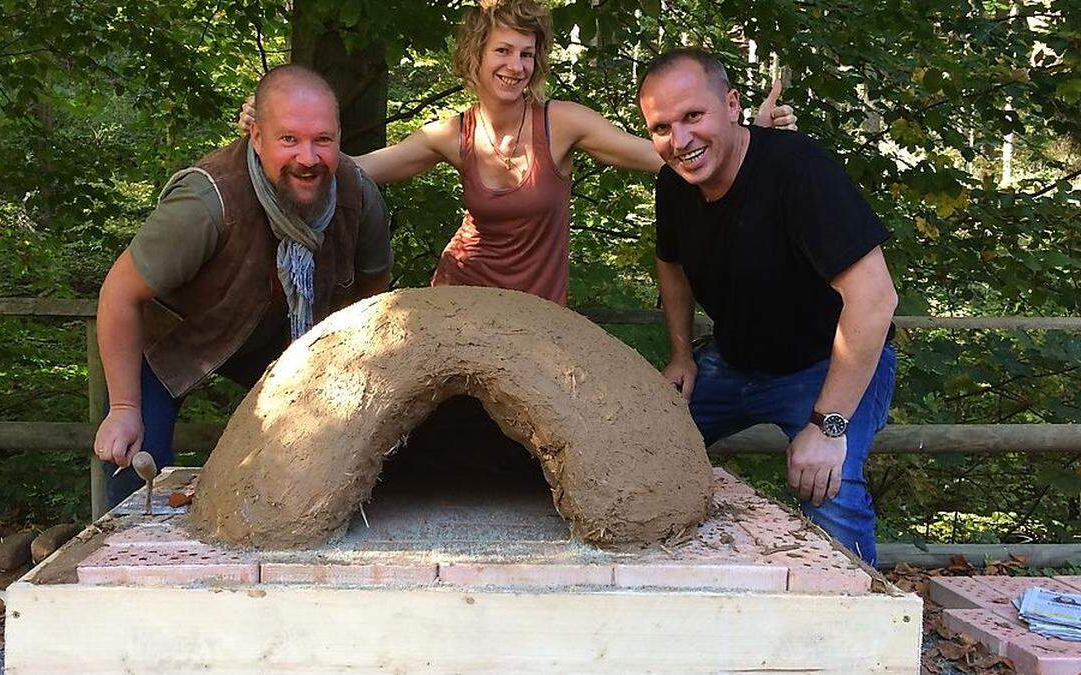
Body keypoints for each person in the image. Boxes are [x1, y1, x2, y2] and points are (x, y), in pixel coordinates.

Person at [240, 0, 796, 305]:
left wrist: (742, 132)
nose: (515, 65)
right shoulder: (451, 135)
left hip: (538, 314)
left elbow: (666, 154)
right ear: (476, 58)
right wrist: (286, 142)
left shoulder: (563, 124)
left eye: (527, 54)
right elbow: (356, 170)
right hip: (460, 298)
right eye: (502, 50)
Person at [637, 48, 899, 565]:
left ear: (731, 105)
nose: (681, 140)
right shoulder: (673, 185)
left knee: (829, 484)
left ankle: (853, 629)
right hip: (732, 363)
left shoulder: (799, 171)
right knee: (640, 439)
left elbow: (874, 299)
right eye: (662, 127)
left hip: (828, 366)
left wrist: (828, 427)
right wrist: (681, 354)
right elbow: (670, 264)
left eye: (693, 116)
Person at [92, 65, 393, 506]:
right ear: (256, 136)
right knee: (137, 472)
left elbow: (373, 295)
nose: (307, 158)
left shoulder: (359, 197)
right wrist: (121, 410)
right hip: (171, 344)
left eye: (322, 140)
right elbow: (119, 292)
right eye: (289, 139)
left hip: (290, 343)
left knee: (322, 465)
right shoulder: (206, 201)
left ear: (339, 137)